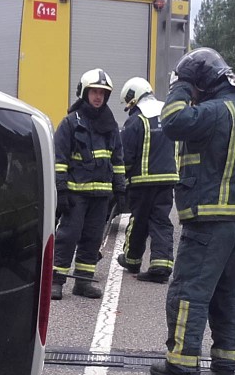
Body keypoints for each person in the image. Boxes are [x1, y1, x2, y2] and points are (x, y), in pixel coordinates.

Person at [150, 48, 235, 375]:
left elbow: (171, 121)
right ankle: (228, 357)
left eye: (193, 85)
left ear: (202, 82)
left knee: (188, 289)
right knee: (228, 290)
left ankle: (181, 361)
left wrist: (180, 85)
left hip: (210, 216)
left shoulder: (213, 111)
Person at [53, 68, 126, 300]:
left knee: (93, 238)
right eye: (94, 92)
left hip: (102, 195)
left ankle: (83, 282)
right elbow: (60, 158)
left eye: (102, 93)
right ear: (84, 93)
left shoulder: (110, 124)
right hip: (75, 194)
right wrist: (61, 189)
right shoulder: (70, 123)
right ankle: (56, 281)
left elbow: (118, 159)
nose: (98, 97)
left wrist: (121, 188)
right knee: (68, 236)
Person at [117, 77, 177, 283]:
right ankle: (161, 265)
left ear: (133, 96)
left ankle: (132, 259)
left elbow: (126, 154)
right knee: (161, 220)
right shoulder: (167, 112)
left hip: (142, 180)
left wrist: (120, 178)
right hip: (168, 178)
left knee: (138, 220)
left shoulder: (136, 119)